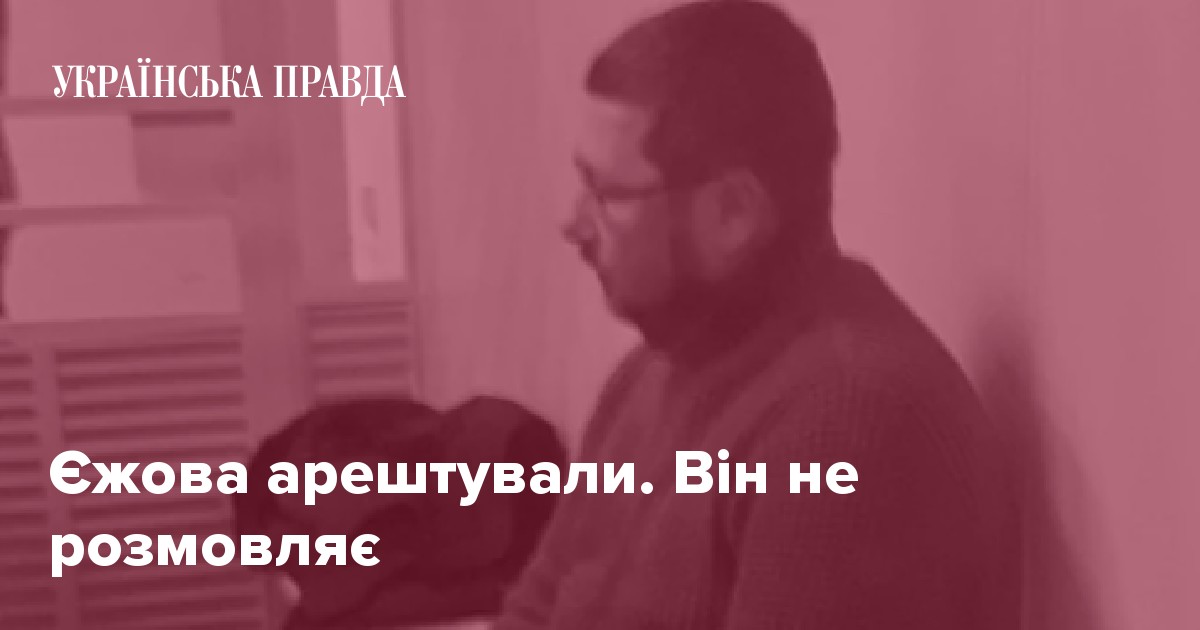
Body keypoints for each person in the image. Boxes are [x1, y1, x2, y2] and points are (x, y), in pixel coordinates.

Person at [496, 2, 1020, 628]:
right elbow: (535, 607)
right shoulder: (649, 374)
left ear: (733, 214)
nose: (574, 223)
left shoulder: (850, 425)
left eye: (606, 194)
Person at [234, 396, 567, 629]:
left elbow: (393, 527)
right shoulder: (313, 443)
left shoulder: (306, 481)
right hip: (506, 437)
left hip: (502, 500)